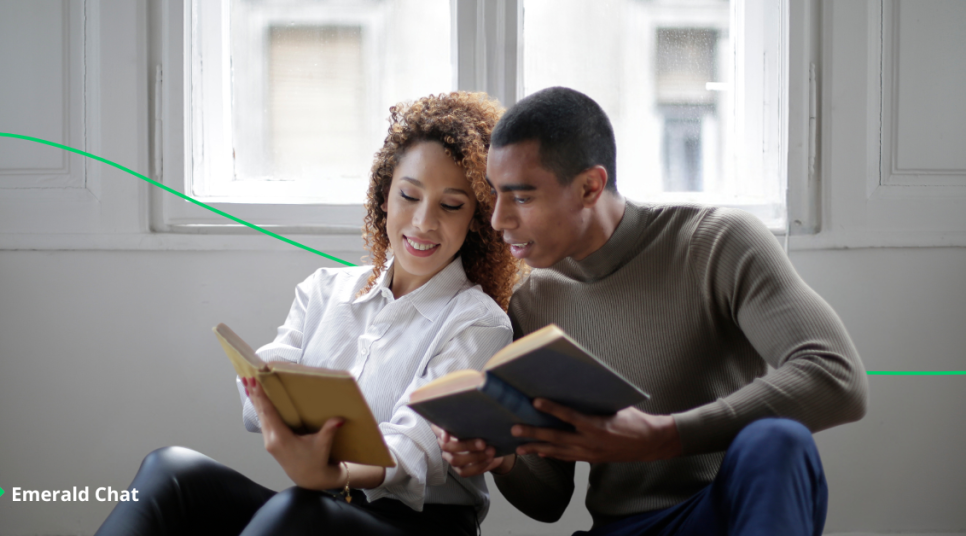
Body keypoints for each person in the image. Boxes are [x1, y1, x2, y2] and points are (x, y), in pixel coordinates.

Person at [436, 87, 869, 536]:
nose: (498, 219)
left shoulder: (716, 243)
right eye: (495, 194)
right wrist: (503, 458)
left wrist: (665, 437)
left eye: (521, 197)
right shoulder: (534, 300)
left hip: (720, 514)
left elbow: (837, 376)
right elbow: (549, 502)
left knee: (779, 441)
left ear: (590, 187)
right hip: (621, 529)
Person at [94, 91, 522, 536]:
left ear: (476, 217)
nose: (422, 222)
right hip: (322, 504)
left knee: (297, 510)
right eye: (409, 196)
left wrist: (335, 474)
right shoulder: (325, 289)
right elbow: (256, 403)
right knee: (171, 470)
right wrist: (271, 394)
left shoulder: (478, 321)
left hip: (418, 525)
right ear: (384, 196)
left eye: (450, 205)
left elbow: (417, 445)